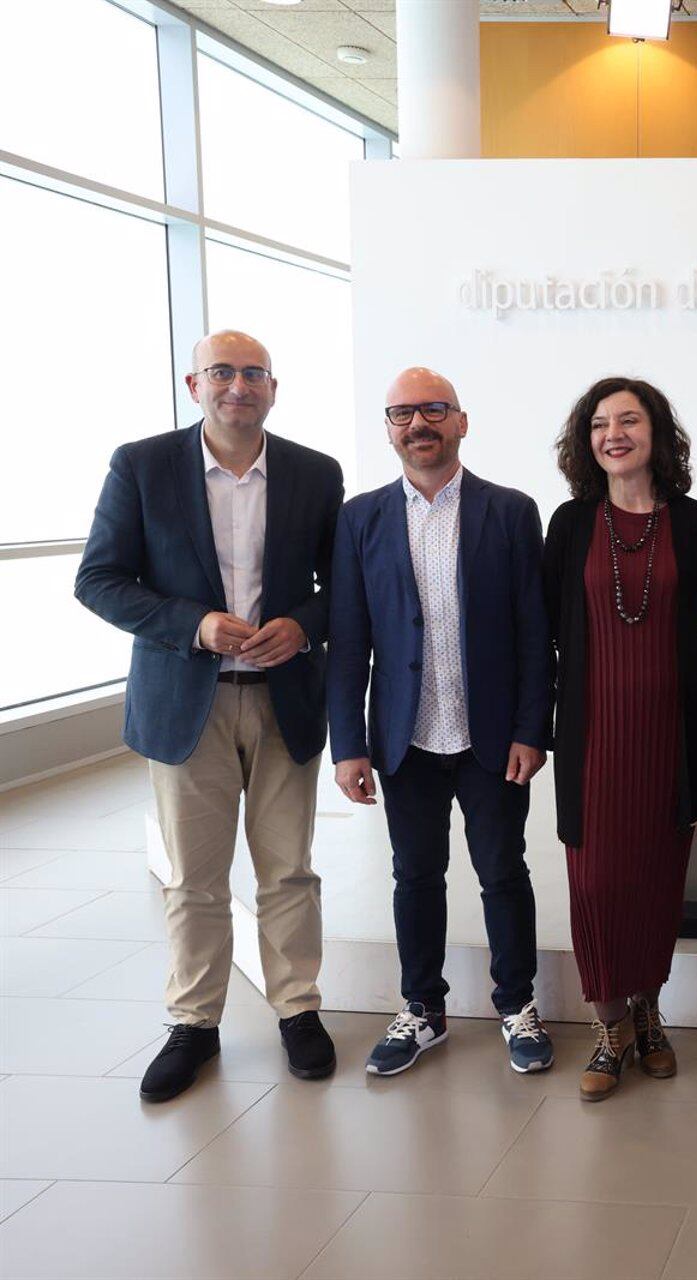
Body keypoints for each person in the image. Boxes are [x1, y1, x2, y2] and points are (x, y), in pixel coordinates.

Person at [75, 330, 342, 1102]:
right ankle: (193, 1022)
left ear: (273, 387)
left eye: (252, 373)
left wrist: (303, 623)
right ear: (193, 384)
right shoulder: (143, 465)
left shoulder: (314, 473)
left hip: (284, 696)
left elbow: (339, 585)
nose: (238, 385)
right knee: (195, 877)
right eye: (221, 372)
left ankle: (297, 1009)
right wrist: (193, 624)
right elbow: (99, 579)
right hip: (185, 701)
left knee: (289, 867)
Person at [327, 368, 555, 1076]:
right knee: (415, 876)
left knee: (502, 872)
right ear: (389, 427)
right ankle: (422, 1009)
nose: (417, 424)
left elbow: (533, 632)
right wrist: (348, 744)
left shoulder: (511, 511)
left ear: (460, 422)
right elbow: (349, 635)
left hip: (491, 738)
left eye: (433, 410)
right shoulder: (359, 517)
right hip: (405, 738)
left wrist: (531, 729)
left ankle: (516, 1005)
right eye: (402, 414)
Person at [543, 377, 697, 1100]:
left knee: (656, 885)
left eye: (629, 420)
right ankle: (608, 1026)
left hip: (669, 739)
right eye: (598, 424)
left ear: (657, 433)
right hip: (592, 741)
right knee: (595, 885)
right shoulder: (569, 523)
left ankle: (649, 1014)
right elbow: (542, 635)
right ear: (586, 442)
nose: (613, 433)